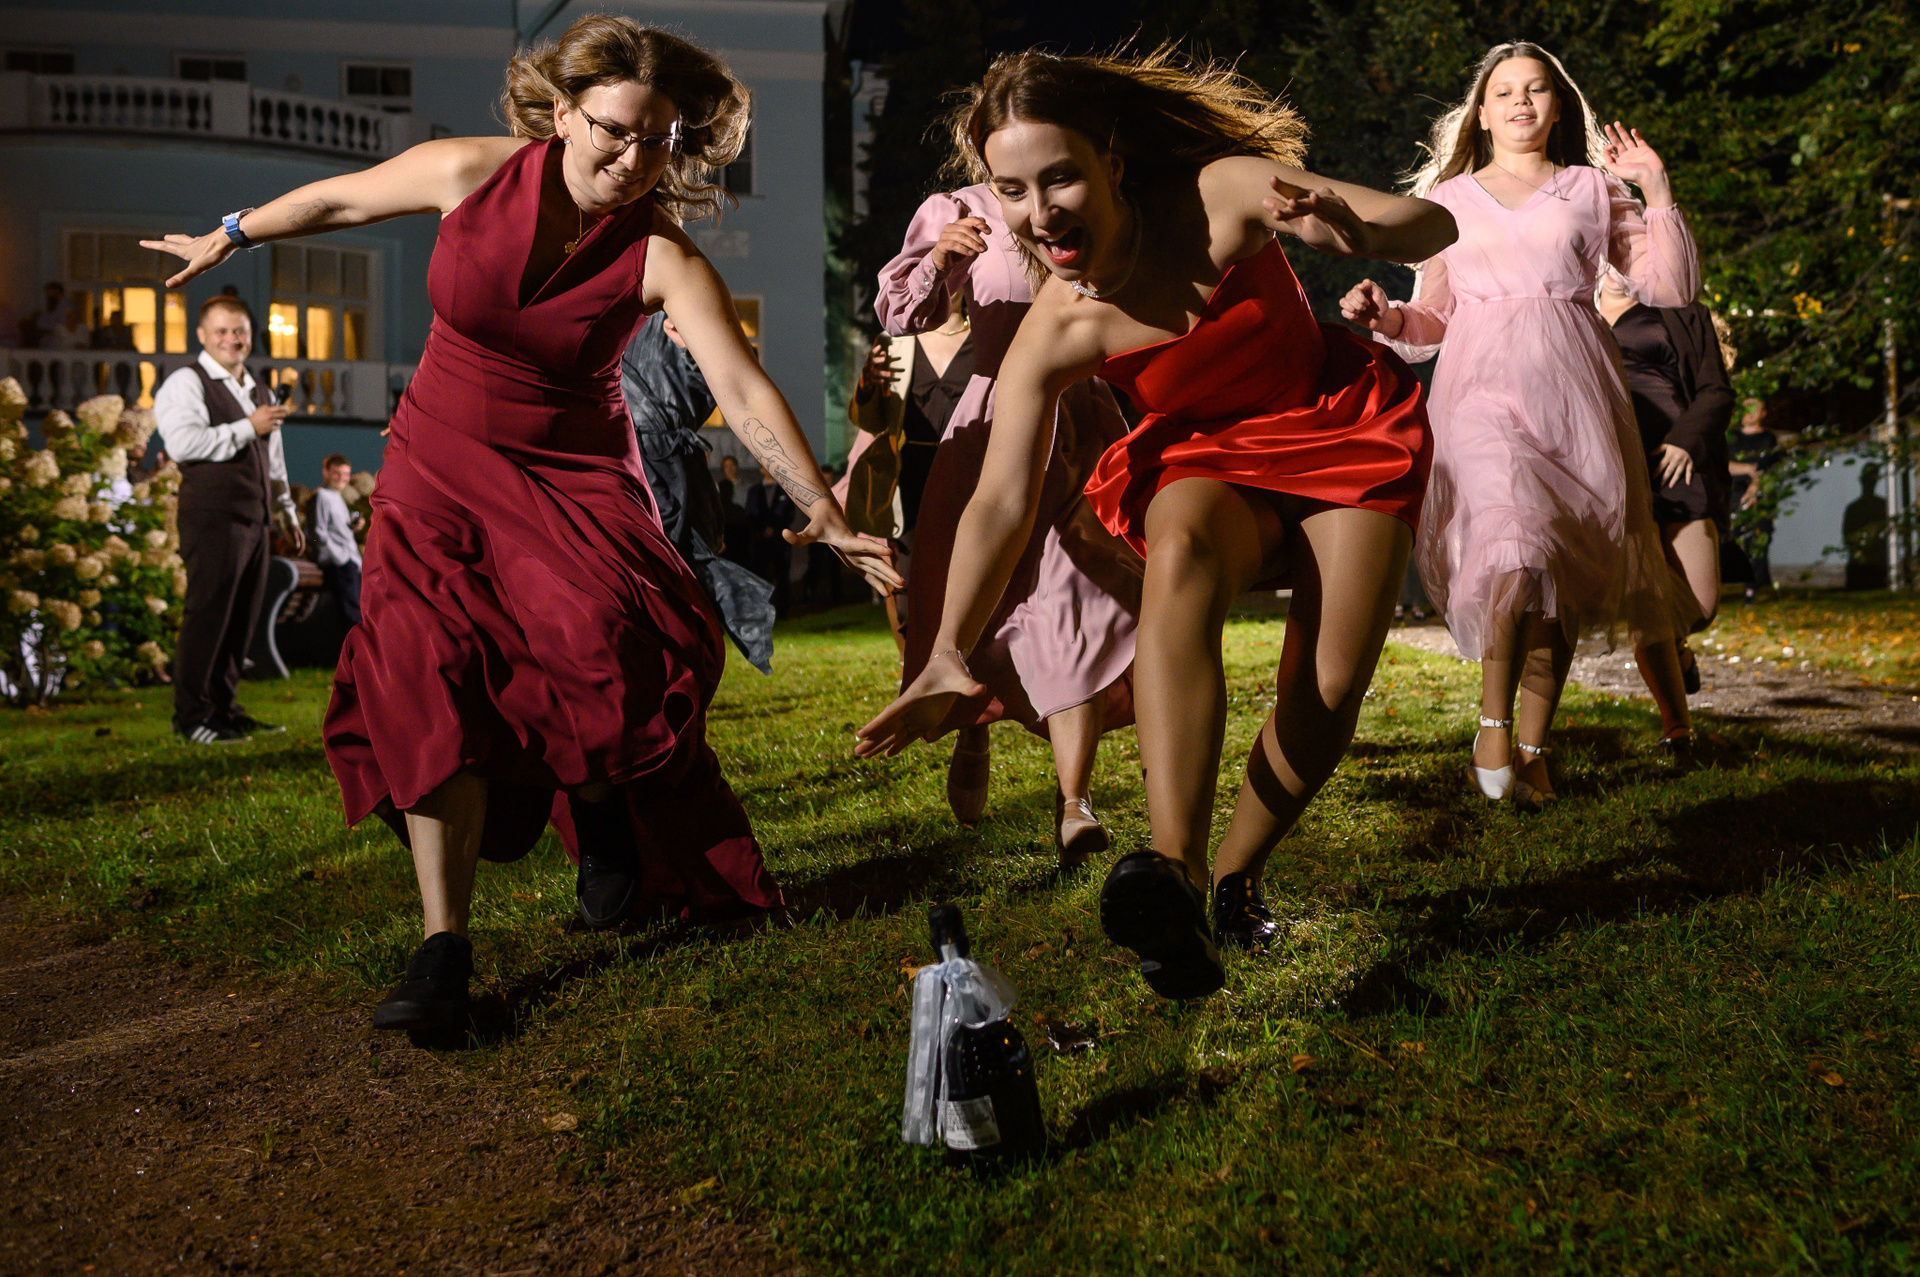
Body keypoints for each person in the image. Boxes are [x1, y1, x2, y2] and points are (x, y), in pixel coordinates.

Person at [143, 15, 896, 1031]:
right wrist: (232, 232)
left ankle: (601, 805)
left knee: (609, 650)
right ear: (563, 114)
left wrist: (825, 509)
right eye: (615, 132)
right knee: (422, 665)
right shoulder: (471, 172)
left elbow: (741, 385)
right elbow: (340, 197)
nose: (634, 160)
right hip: (436, 464)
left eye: (658, 142)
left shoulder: (661, 255)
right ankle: (442, 947)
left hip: (571, 473)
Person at [858, 48, 1453, 999]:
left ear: (1111, 163)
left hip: (1338, 423)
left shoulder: (1223, 194)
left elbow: (1434, 224)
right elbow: (1001, 500)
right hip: (1207, 458)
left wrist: (1352, 229)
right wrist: (945, 652)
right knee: (1179, 547)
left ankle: (1235, 877)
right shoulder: (1060, 326)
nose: (1039, 211)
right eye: (1012, 190)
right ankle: (1171, 873)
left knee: (1331, 681)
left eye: (1060, 178)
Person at [1343, 41, 1703, 800]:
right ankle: (1493, 725)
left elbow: (1671, 289)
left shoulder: (1591, 189)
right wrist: (1387, 317)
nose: (1520, 102)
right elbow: (1433, 320)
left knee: (1559, 570)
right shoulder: (1447, 201)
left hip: (1576, 395)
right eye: (1504, 91)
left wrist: (1656, 188)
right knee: (1513, 544)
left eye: (1536, 89)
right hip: (1478, 391)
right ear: (1481, 112)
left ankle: (1533, 748)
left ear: (1558, 105)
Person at [857, 181, 1147, 860]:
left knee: (1075, 598)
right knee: (985, 603)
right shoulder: (957, 209)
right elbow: (897, 315)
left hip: (1080, 420)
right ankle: (973, 724)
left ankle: (1074, 801)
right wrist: (938, 261)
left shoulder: (1092, 201)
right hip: (993, 422)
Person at [151, 296, 302, 744]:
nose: (232, 340)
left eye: (239, 331)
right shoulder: (186, 382)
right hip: (212, 515)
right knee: (209, 614)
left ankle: (225, 711)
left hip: (254, 517)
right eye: (221, 331)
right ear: (202, 335)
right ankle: (193, 717)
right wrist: (247, 426)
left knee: (241, 619)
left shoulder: (259, 390)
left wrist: (286, 510)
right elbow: (183, 444)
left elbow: (274, 458)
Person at [1596, 271, 1735, 699]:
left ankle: (1678, 648)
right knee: (1648, 606)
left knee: (1701, 607)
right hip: (1614, 468)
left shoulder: (1680, 311)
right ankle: (1676, 725)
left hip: (1673, 464)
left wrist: (1684, 442)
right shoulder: (1574, 310)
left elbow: (1716, 391)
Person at [619, 311, 776, 670]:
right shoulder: (625, 323)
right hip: (627, 468)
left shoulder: (690, 329)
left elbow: (744, 392)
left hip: (666, 475)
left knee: (676, 590)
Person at [1727, 398, 1781, 602]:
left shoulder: (1768, 439)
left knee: (1757, 540)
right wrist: (1748, 468)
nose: (1749, 413)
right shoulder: (1731, 437)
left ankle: (1753, 588)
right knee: (1733, 538)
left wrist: (1754, 489)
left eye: (1754, 409)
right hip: (1733, 494)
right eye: (1746, 409)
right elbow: (1722, 464)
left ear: (1763, 413)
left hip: (1761, 497)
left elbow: (1767, 467)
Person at [311, 452, 365, 628]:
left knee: (357, 613)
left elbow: (335, 530)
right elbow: (319, 532)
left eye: (346, 474)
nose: (342, 478)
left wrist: (352, 526)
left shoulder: (336, 496)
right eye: (337, 473)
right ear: (326, 472)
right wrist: (341, 558)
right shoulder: (322, 496)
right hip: (340, 564)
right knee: (353, 616)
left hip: (350, 562)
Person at [744, 464, 796, 614]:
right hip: (760, 540)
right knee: (760, 573)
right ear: (761, 469)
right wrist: (762, 530)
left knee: (782, 573)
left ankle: (783, 609)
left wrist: (774, 528)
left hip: (780, 539)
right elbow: (750, 512)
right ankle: (761, 608)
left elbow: (789, 514)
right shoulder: (754, 490)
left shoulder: (786, 490)